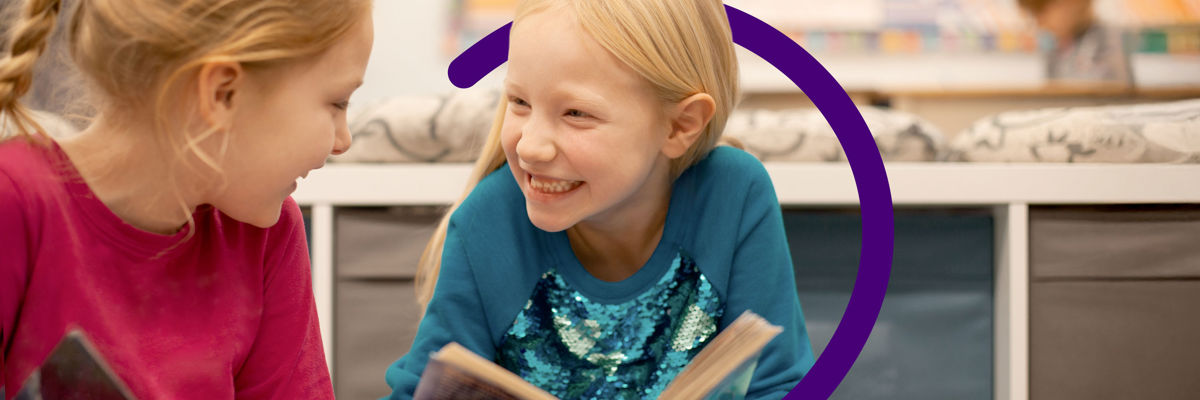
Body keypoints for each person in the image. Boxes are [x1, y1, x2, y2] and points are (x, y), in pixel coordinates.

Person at [384, 0, 814, 398]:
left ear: (680, 126)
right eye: (519, 101)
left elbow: (779, 383)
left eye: (576, 113)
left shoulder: (734, 196)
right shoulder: (488, 219)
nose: (530, 147)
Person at [0, 0, 373, 398]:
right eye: (337, 103)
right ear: (223, 93)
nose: (342, 141)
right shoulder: (17, 200)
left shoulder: (269, 234)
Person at [1018, 0, 1133, 84]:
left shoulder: (1109, 40)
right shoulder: (1055, 48)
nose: (1039, 22)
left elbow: (1109, 94)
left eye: (1042, 11)